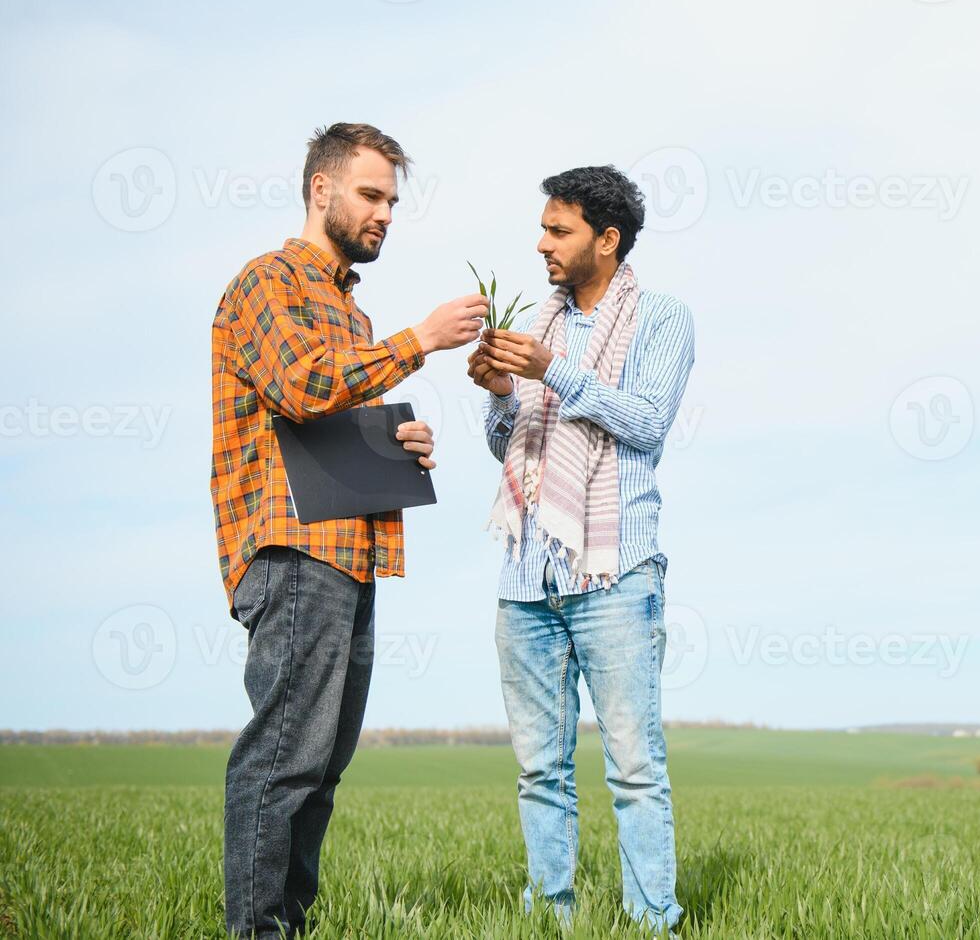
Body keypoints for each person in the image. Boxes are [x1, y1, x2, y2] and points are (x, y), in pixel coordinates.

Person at [210, 122, 488, 938]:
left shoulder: (352, 317)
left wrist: (397, 444)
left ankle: (286, 925)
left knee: (322, 768)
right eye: (371, 195)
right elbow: (300, 388)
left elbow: (332, 421)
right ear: (321, 190)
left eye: (393, 201)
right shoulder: (267, 283)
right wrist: (421, 342)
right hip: (293, 551)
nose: (385, 215)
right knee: (282, 760)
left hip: (350, 555)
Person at [467, 165, 695, 933]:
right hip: (526, 575)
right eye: (541, 228)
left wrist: (550, 372)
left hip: (615, 574)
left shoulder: (662, 318)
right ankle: (551, 921)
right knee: (539, 771)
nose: (541, 245)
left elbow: (646, 423)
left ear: (608, 238)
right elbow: (508, 444)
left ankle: (651, 921)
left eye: (558, 231)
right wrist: (500, 390)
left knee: (633, 770)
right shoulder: (538, 325)